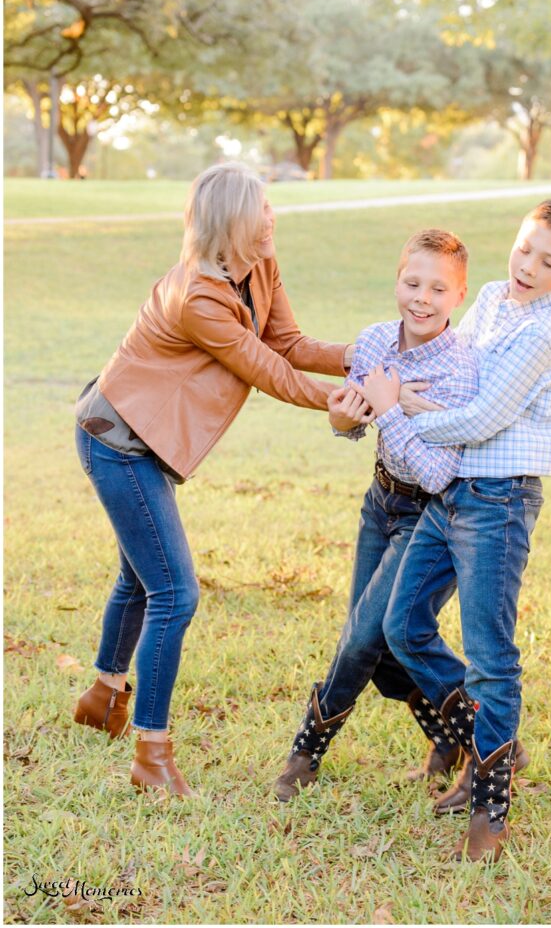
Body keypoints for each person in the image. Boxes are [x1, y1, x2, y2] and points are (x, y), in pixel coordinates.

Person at [73, 162, 352, 796]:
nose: (272, 218)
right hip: (115, 441)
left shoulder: (259, 267)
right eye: (261, 209)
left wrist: (370, 355)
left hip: (143, 442)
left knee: (139, 579)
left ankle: (101, 697)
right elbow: (265, 369)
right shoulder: (196, 293)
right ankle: (151, 751)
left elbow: (290, 342)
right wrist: (340, 403)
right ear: (232, 221)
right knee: (175, 591)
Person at [358, 197, 551, 862]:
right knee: (403, 627)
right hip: (452, 488)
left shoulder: (543, 333)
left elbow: (480, 418)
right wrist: (401, 398)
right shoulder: (489, 297)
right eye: (525, 249)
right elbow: (455, 387)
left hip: (500, 499)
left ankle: (491, 810)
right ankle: (496, 744)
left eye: (548, 261)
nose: (528, 266)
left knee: (491, 655)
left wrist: (395, 411)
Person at [273, 227, 481, 802]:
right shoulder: (371, 344)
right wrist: (343, 422)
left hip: (429, 516)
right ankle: (445, 743)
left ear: (458, 296)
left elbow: (440, 474)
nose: (422, 297)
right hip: (379, 503)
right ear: (397, 279)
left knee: (367, 634)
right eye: (412, 282)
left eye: (438, 289)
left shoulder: (461, 369)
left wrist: (390, 412)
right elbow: (351, 423)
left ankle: (306, 751)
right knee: (373, 642)